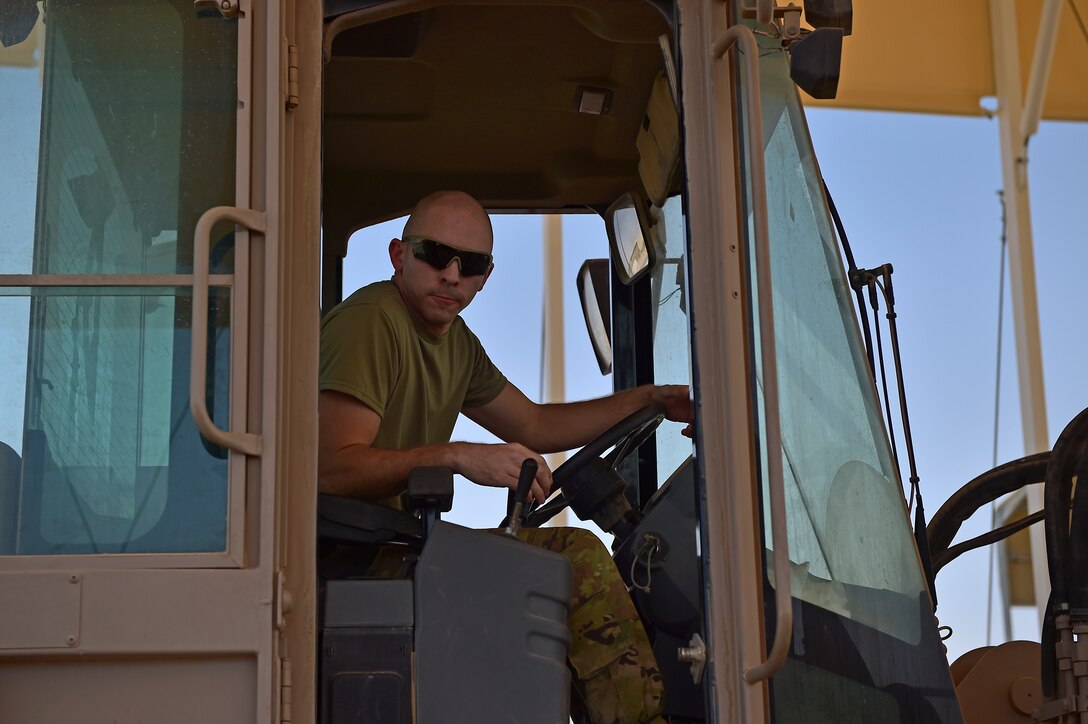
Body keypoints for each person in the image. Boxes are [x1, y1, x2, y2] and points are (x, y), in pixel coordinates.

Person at [318, 190, 692, 723]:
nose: (452, 274)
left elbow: (535, 425)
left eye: (470, 264)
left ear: (485, 276)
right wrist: (460, 457)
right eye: (434, 255)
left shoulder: (455, 342)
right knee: (576, 564)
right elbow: (332, 469)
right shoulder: (372, 322)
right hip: (352, 560)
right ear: (399, 255)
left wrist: (647, 398)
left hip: (396, 547)